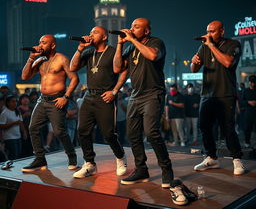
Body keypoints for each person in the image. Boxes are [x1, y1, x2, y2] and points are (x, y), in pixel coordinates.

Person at [113, 18, 188, 206]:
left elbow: (153, 56)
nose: (131, 29)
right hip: (136, 96)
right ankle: (141, 169)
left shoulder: (156, 42)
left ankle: (167, 170)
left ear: (146, 31)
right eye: (131, 26)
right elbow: (117, 67)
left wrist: (132, 40)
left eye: (136, 27)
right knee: (132, 134)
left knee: (152, 132)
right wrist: (121, 44)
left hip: (153, 93)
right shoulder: (129, 47)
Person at [70, 26, 128, 178]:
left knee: (108, 133)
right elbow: (73, 67)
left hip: (105, 97)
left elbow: (121, 71)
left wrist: (114, 91)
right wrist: (80, 47)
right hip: (89, 96)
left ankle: (121, 157)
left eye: (95, 32)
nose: (90, 35)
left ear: (104, 37)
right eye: (90, 32)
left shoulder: (113, 51)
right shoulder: (89, 52)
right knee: (82, 130)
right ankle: (89, 164)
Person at [191, 20, 245, 175]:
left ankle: (237, 159)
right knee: (204, 126)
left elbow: (228, 62)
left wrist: (211, 46)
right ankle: (211, 157)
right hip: (207, 94)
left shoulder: (233, 44)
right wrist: (194, 63)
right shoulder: (204, 46)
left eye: (212, 31)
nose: (209, 34)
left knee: (227, 127)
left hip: (225, 93)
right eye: (208, 31)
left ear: (222, 31)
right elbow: (194, 69)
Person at [21, 34, 79, 172]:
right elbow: (25, 76)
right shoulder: (39, 60)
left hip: (57, 99)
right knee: (33, 128)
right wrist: (31, 58)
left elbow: (74, 79)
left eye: (44, 43)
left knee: (59, 131)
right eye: (40, 42)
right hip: (42, 100)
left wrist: (66, 97)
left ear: (52, 45)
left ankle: (72, 157)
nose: (40, 45)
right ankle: (40, 159)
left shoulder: (62, 59)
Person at [0, 95, 27, 160]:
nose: (15, 103)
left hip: (18, 136)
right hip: (9, 137)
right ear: (8, 103)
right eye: (13, 101)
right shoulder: (4, 113)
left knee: (18, 154)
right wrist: (14, 123)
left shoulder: (17, 111)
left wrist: (24, 132)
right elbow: (1, 126)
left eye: (16, 101)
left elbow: (21, 123)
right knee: (14, 155)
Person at [242, 75, 256, 148]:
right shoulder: (246, 91)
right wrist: (248, 102)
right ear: (249, 82)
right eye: (251, 82)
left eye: (254, 83)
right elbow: (242, 101)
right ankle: (247, 142)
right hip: (248, 112)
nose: (253, 84)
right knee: (247, 128)